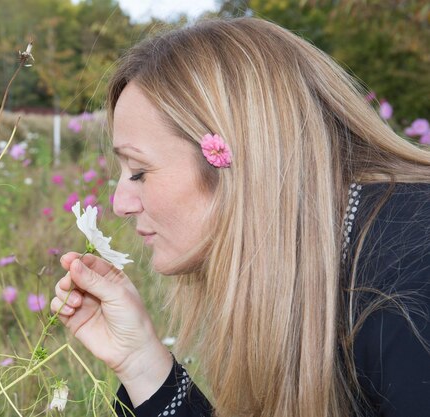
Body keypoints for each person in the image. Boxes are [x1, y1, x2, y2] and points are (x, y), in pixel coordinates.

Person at [51, 17, 430, 417]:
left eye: (140, 171)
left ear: (234, 159)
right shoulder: (321, 261)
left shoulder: (412, 271)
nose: (121, 203)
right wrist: (141, 363)